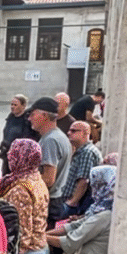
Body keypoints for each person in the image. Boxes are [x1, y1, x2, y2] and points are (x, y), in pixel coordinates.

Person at [0, 139, 50, 254]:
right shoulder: (36, 178)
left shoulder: (21, 189)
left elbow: (22, 233)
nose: (9, 157)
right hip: (39, 250)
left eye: (13, 154)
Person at [27, 96, 72, 228]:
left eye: (33, 114)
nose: (30, 118)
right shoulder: (57, 136)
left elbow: (48, 179)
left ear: (44, 115)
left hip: (48, 202)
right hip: (54, 200)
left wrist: (23, 183)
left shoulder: (50, 140)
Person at [62, 121, 103, 217]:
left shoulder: (87, 152)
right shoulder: (80, 150)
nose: (69, 133)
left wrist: (72, 202)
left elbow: (84, 181)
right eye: (69, 130)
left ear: (85, 133)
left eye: (73, 131)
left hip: (76, 205)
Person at [0, 94, 39, 176]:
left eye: (15, 105)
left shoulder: (27, 121)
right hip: (7, 156)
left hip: (19, 159)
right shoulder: (11, 117)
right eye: (11, 104)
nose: (12, 107)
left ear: (23, 106)